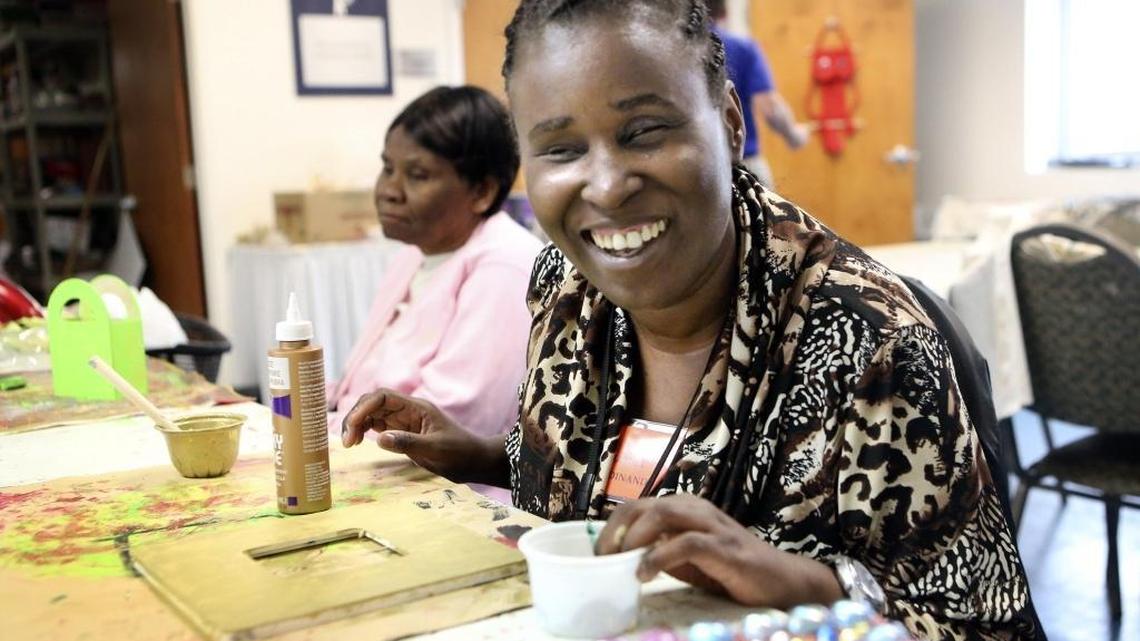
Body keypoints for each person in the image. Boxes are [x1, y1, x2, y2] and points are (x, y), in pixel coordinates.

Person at [342, 3, 1042, 639]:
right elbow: (594, 478)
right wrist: (483, 451)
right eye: (560, 149)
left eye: (644, 131)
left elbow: (977, 617)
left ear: (731, 123)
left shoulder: (872, 342)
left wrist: (801, 580)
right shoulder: (565, 283)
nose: (607, 184)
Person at [328, 85, 542, 501]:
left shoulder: (506, 265)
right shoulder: (415, 254)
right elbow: (361, 382)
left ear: (481, 191)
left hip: (449, 496)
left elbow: (453, 424)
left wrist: (331, 436)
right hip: (371, 468)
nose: (390, 189)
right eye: (387, 168)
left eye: (418, 175)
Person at [708, 0, 809, 187]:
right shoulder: (741, 48)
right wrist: (793, 135)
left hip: (695, 170)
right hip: (743, 166)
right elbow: (770, 108)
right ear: (724, 12)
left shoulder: (670, 53)